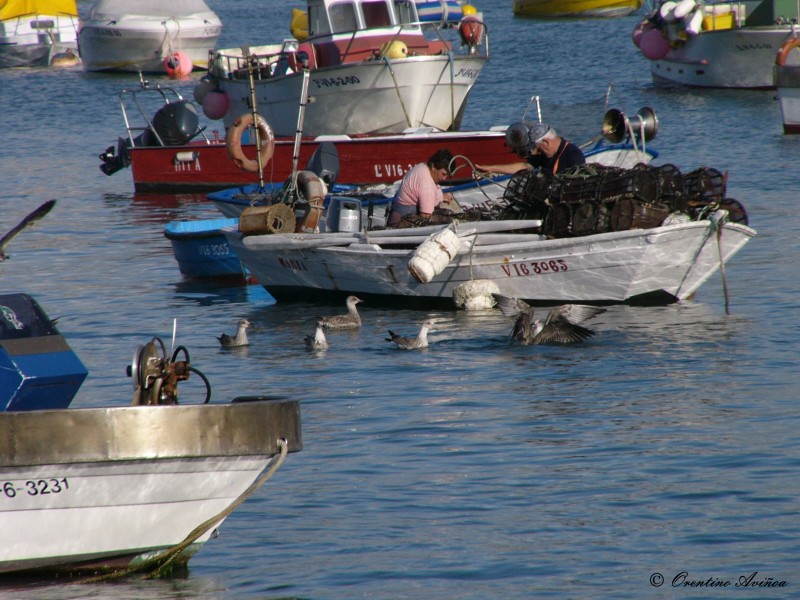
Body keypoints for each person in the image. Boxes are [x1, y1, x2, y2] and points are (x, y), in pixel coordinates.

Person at [475, 122, 585, 176]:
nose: (537, 151)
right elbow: (524, 166)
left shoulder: (573, 155)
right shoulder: (546, 155)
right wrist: (490, 168)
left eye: (538, 148)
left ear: (546, 142)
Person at [387, 149, 456, 227]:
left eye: (447, 175)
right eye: (443, 174)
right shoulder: (426, 183)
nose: (444, 179)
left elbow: (427, 190)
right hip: (399, 222)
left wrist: (441, 196)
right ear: (433, 166)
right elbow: (426, 216)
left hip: (396, 211)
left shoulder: (423, 167)